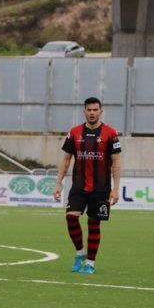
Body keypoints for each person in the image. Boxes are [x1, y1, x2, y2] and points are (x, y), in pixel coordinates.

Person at [53, 97, 122, 274]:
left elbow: (116, 162)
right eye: (89, 110)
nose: (92, 113)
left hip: (101, 188)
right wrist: (58, 183)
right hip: (79, 186)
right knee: (71, 217)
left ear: (101, 111)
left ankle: (90, 263)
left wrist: (115, 189)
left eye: (95, 109)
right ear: (84, 111)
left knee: (94, 224)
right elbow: (66, 160)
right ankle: (80, 253)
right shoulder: (74, 132)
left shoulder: (111, 133)